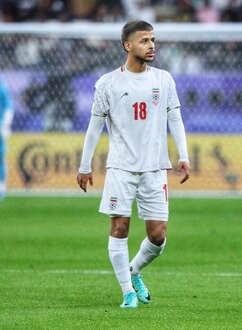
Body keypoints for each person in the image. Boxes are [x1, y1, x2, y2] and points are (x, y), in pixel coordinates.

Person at [77, 20, 191, 308]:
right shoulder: (108, 83)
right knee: (119, 228)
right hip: (121, 168)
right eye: (144, 40)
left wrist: (184, 155)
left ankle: (133, 271)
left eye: (153, 39)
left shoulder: (163, 79)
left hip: (155, 169)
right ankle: (128, 292)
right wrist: (84, 164)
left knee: (158, 237)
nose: (151, 45)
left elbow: (175, 117)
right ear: (128, 45)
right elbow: (95, 126)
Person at [0, 81, 14, 199]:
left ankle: (1, 185)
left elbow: (9, 107)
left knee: (0, 156)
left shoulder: (1, 87)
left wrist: (5, 125)